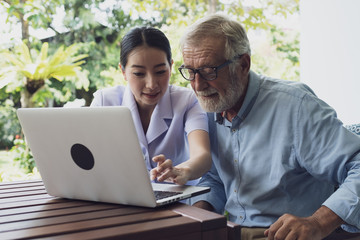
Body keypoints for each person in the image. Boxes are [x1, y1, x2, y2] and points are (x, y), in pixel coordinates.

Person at [177, 14, 360, 240]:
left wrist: (317, 223)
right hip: (231, 233)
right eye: (190, 72)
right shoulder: (211, 107)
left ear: (243, 64)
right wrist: (199, 215)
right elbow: (216, 179)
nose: (198, 85)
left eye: (209, 71)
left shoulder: (296, 107)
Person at [90, 27, 211, 186]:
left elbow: (202, 155)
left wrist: (182, 171)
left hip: (179, 203)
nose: (151, 84)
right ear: (123, 71)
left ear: (171, 67)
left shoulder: (188, 101)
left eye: (160, 72)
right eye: (139, 74)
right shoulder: (104, 101)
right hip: (122, 200)